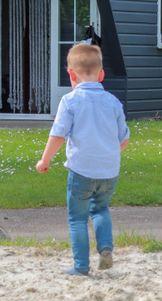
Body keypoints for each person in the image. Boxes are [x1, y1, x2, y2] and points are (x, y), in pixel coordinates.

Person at [35, 43, 130, 276]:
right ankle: (106, 247)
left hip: (81, 171)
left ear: (71, 74)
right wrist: (107, 152)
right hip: (109, 171)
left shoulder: (70, 101)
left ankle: (81, 266)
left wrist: (44, 160)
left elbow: (58, 134)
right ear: (102, 74)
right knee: (100, 209)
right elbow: (124, 140)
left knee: (77, 218)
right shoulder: (113, 102)